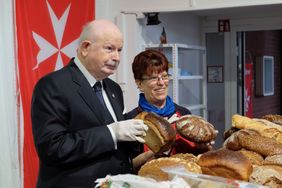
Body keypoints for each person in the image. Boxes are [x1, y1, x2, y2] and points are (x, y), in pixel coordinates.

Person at [31, 19, 148, 188]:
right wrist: (112, 132)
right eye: (109, 48)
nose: (116, 57)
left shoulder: (113, 88)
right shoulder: (53, 85)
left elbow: (116, 146)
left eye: (119, 50)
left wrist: (146, 134)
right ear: (85, 48)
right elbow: (53, 148)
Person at [127, 49, 215, 160]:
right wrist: (163, 143)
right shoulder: (131, 120)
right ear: (139, 83)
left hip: (185, 175)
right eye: (154, 78)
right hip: (150, 177)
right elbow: (130, 166)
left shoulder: (183, 114)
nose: (161, 83)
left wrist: (204, 147)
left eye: (164, 76)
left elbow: (197, 156)